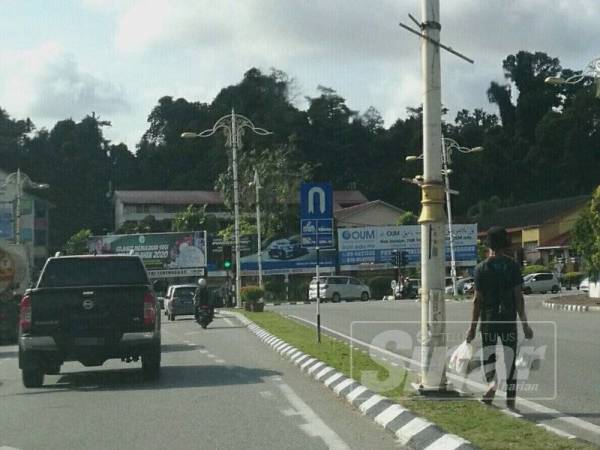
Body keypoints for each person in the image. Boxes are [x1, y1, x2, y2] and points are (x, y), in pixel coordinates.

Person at [466, 226, 533, 409]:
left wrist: (472, 328)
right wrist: (525, 325)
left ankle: (491, 385)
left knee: (488, 357)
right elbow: (518, 297)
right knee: (510, 359)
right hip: (508, 321)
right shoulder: (512, 267)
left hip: (488, 321)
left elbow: (477, 301)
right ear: (505, 244)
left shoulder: (481, 269)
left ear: (488, 245)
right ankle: (511, 400)